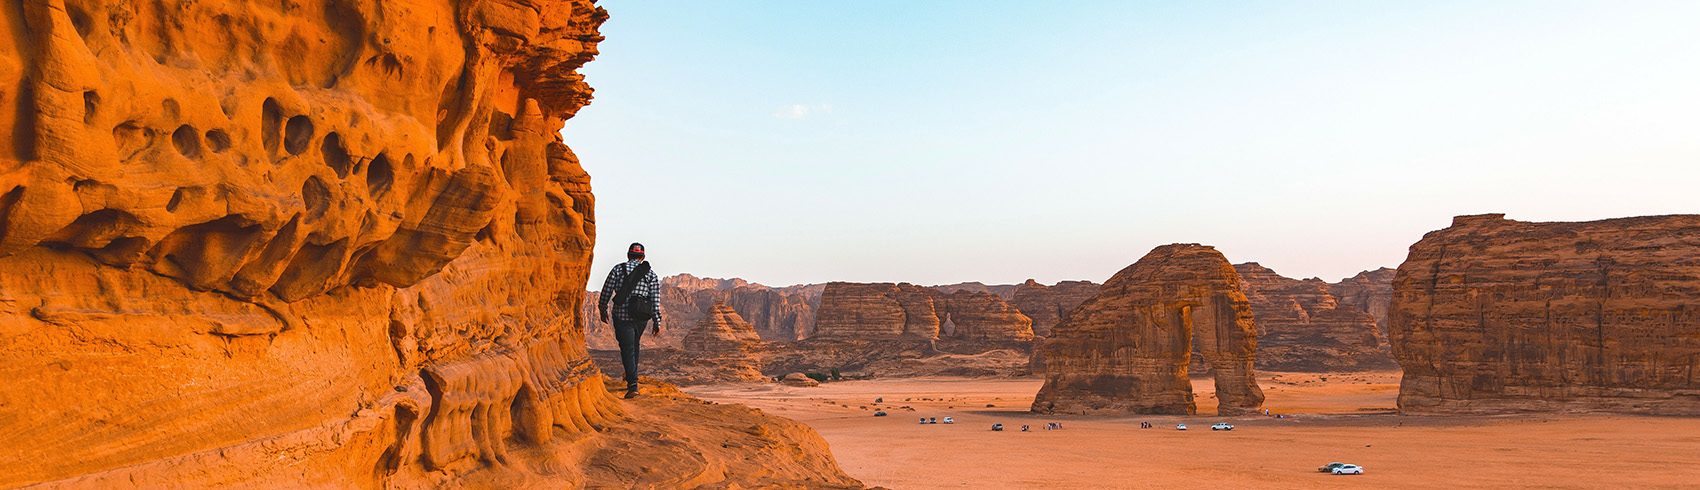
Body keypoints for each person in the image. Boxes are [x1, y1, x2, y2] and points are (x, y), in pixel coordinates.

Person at [599, 242, 662, 398]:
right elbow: (655, 299)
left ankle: (632, 385)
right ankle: (631, 376)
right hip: (641, 316)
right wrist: (657, 321)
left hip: (621, 315)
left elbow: (607, 289)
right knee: (635, 345)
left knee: (627, 348)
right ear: (643, 257)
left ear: (628, 256)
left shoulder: (618, 269)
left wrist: (602, 309)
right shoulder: (651, 274)